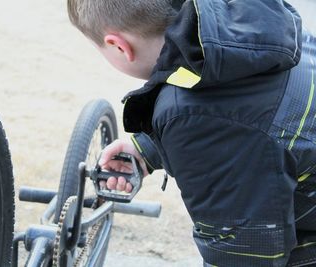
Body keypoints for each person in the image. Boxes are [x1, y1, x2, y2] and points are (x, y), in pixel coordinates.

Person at [67, 0, 316, 266]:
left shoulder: (193, 118)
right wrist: (145, 150)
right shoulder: (244, 23)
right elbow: (250, 112)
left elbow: (245, 254)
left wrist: (181, 127)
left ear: (119, 46)